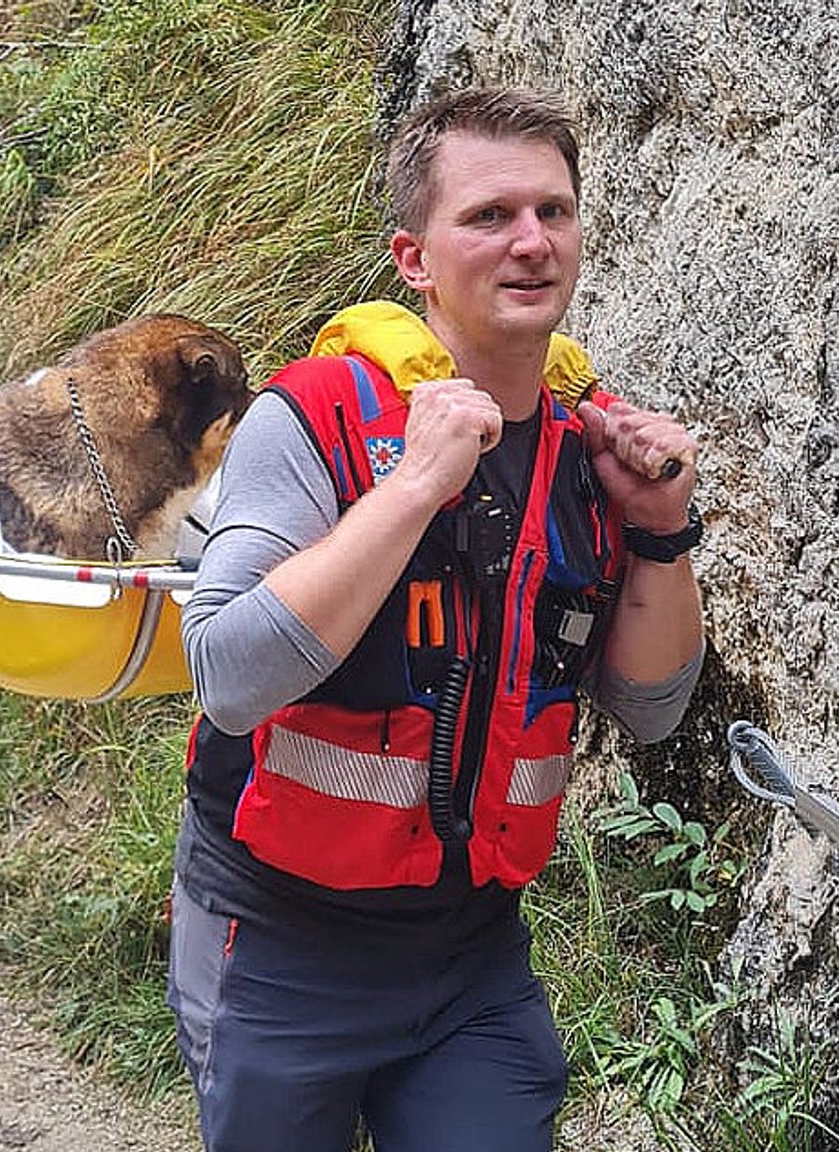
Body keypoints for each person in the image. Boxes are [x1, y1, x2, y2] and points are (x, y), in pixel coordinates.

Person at [170, 86, 706, 1151]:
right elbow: (226, 677)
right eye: (488, 216)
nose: (530, 242)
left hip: (470, 959)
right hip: (278, 942)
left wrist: (656, 533)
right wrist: (410, 489)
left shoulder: (583, 451)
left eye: (552, 212)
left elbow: (646, 710)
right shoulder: (311, 418)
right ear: (412, 259)